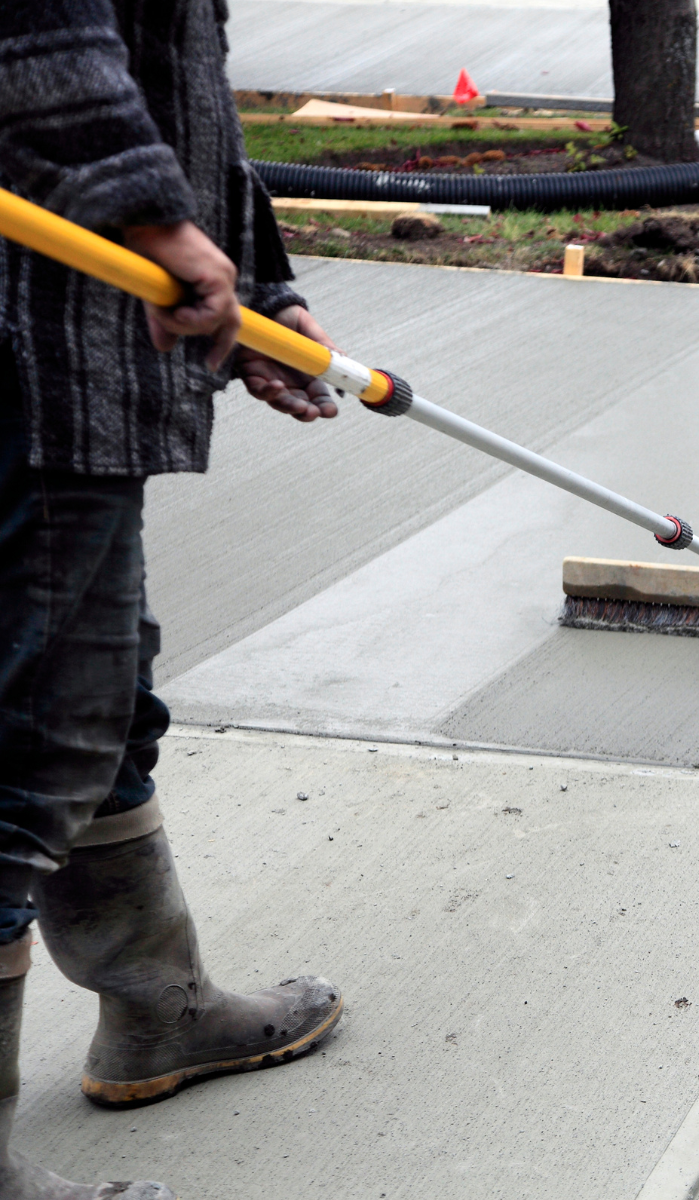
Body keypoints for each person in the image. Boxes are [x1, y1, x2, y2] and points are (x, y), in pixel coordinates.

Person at [0, 2, 345, 1196]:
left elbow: (164, 72)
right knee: (26, 752)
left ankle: (154, 1005)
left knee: (94, 702)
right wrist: (152, 220)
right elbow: (34, 28)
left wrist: (255, 286)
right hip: (30, 351)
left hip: (85, 347)